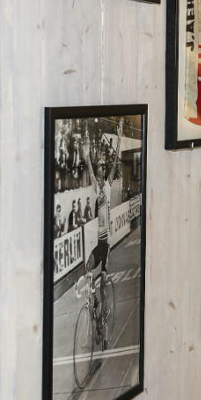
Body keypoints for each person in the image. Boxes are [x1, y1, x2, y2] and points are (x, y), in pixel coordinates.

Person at [83, 124, 121, 342]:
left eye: (100, 173)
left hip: (106, 244)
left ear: (103, 175)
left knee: (104, 280)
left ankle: (104, 317)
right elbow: (88, 166)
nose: (98, 177)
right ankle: (96, 308)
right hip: (97, 243)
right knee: (87, 269)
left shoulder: (106, 187)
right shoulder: (97, 190)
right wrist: (87, 150)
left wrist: (119, 138)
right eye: (96, 175)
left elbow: (115, 162)